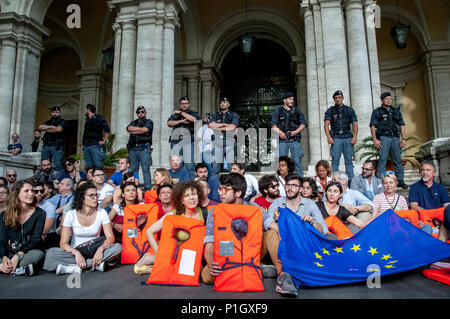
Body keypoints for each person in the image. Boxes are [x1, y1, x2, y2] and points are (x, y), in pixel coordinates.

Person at [264, 173, 328, 297]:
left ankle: (275, 270)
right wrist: (279, 223)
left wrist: (312, 222)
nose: (290, 188)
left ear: (300, 189)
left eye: (294, 185)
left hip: (301, 248)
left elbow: (323, 229)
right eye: (288, 185)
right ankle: (284, 275)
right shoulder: (277, 203)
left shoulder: (309, 204)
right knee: (271, 232)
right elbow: (266, 221)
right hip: (281, 245)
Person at [43, 181, 122, 274]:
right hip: (75, 251)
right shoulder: (71, 214)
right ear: (82, 198)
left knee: (117, 248)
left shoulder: (102, 213)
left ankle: (75, 267)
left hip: (95, 249)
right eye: (92, 195)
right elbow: (63, 243)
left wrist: (101, 249)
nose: (95, 198)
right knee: (51, 254)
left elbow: (110, 238)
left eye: (97, 195)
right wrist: (76, 253)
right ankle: (93, 265)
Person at [134, 180, 206, 275]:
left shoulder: (205, 213)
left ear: (198, 196)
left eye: (194, 194)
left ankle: (154, 268)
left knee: (196, 272)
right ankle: (150, 262)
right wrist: (158, 253)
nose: (191, 198)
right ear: (181, 200)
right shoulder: (174, 214)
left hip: (194, 256)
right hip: (175, 255)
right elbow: (149, 231)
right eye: (187, 195)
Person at [202, 173, 250, 284]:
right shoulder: (215, 211)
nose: (220, 193)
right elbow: (209, 241)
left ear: (238, 193)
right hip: (227, 252)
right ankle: (246, 270)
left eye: (225, 190)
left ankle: (284, 275)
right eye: (219, 189)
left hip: (249, 253)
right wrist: (211, 263)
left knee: (271, 234)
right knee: (207, 277)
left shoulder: (253, 209)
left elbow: (271, 225)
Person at [0, 180, 46, 276]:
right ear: (17, 194)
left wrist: (18, 255)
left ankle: (6, 267)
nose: (31, 194)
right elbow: (2, 240)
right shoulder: (4, 215)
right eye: (26, 191)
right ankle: (14, 267)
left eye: (32, 191)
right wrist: (4, 257)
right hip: (9, 250)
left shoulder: (40, 213)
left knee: (38, 254)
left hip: (28, 251)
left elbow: (35, 240)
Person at [369, 92, 408, 189]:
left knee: (397, 160)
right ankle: (379, 181)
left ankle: (400, 180)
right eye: (387, 99)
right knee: (382, 159)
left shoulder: (396, 111)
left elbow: (402, 125)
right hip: (384, 137)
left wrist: (403, 139)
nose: (389, 100)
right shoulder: (377, 111)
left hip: (395, 137)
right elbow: (373, 126)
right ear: (382, 100)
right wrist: (375, 139)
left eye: (390, 99)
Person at [324, 90, 358, 182]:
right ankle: (335, 180)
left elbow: (354, 124)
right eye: (336, 98)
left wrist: (354, 136)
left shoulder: (349, 110)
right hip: (336, 138)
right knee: (335, 161)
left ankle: (350, 180)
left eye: (339, 97)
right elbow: (326, 124)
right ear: (334, 99)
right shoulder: (330, 110)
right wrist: (328, 137)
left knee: (349, 161)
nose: (338, 99)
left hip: (347, 137)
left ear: (342, 98)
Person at [271, 92, 307, 177]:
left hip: (294, 141)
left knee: (297, 162)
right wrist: (280, 133)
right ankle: (281, 181)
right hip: (283, 141)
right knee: (282, 163)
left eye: (293, 99)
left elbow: (303, 124)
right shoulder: (278, 111)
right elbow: (273, 125)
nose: (292, 101)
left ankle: (300, 181)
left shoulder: (297, 111)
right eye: (290, 99)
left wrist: (296, 132)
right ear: (285, 100)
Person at [168, 96, 201, 179]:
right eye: (182, 104)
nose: (184, 105)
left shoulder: (194, 113)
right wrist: (182, 121)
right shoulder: (175, 114)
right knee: (177, 165)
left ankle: (191, 185)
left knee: (190, 165)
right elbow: (169, 123)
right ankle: (179, 185)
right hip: (176, 141)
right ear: (180, 105)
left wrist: (181, 113)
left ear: (189, 105)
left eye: (186, 104)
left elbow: (194, 120)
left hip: (189, 141)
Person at [208, 97, 239, 175]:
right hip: (217, 142)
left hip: (229, 141)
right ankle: (215, 186)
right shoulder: (215, 115)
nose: (222, 104)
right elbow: (211, 125)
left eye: (224, 102)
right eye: (221, 102)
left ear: (228, 104)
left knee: (231, 168)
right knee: (215, 168)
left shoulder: (233, 115)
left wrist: (219, 127)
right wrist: (224, 125)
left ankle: (232, 186)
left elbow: (233, 127)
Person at [127, 106, 153, 190]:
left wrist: (134, 131)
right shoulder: (134, 122)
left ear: (145, 113)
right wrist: (140, 130)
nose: (140, 113)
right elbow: (128, 128)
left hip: (144, 148)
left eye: (142, 111)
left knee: (145, 169)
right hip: (133, 148)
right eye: (138, 112)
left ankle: (147, 190)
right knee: (134, 170)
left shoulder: (149, 122)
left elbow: (145, 130)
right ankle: (134, 188)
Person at [38, 106, 67, 173]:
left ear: (59, 113)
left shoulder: (63, 121)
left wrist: (46, 129)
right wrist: (51, 127)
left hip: (57, 146)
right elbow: (40, 127)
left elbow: (58, 129)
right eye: (53, 112)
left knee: (58, 165)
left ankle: (61, 181)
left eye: (57, 112)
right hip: (46, 145)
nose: (55, 114)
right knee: (44, 164)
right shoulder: (48, 122)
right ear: (51, 113)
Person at [82, 103, 111, 169]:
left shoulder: (99, 118)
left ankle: (102, 179)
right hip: (87, 146)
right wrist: (83, 146)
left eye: (85, 109)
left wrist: (104, 141)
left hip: (95, 145)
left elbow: (107, 130)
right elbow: (85, 134)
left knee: (98, 167)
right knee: (89, 167)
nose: (84, 111)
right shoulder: (87, 120)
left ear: (88, 110)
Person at [32, 182, 57, 248]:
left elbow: (46, 230)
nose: (39, 194)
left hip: (47, 238)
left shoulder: (49, 206)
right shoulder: (27, 205)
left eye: (42, 191)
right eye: (36, 191)